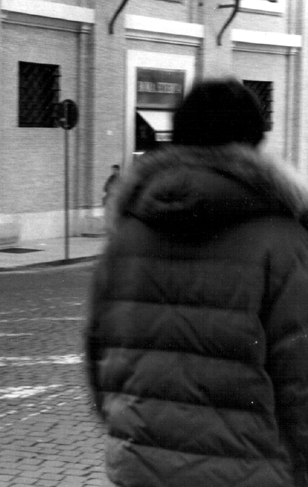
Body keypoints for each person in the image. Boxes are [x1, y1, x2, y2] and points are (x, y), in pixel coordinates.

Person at [85, 78, 308, 487]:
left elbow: (98, 361)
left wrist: (137, 435)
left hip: (142, 469)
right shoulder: (284, 240)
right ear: (254, 143)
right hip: (251, 471)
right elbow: (299, 377)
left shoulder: (127, 236)